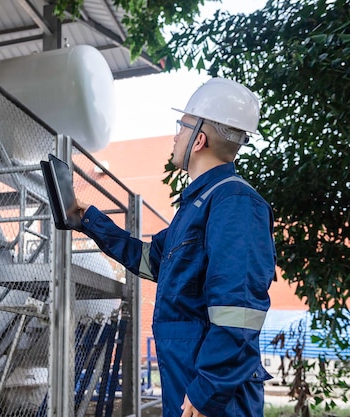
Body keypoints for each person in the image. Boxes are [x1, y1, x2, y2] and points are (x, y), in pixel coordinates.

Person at [74, 78, 277, 417]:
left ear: (199, 139)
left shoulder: (235, 202)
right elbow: (150, 262)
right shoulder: (196, 206)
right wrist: (89, 221)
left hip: (211, 393)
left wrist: (207, 390)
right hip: (187, 379)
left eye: (181, 127)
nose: (175, 136)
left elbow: (238, 309)